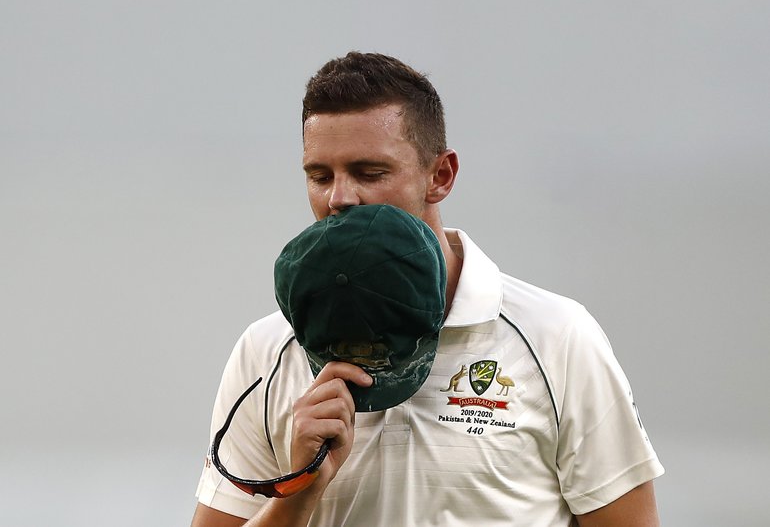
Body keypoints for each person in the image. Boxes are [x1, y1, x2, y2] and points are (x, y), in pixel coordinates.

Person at [191, 52, 664, 527]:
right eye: (320, 176)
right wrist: (298, 492)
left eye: (369, 172)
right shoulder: (267, 349)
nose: (339, 198)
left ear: (440, 176)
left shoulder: (557, 336)